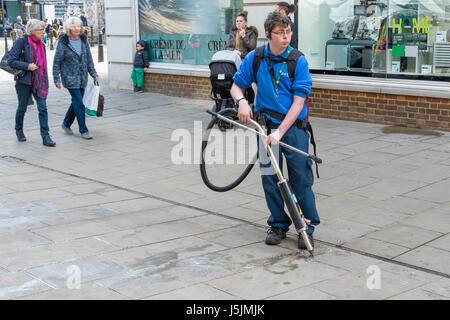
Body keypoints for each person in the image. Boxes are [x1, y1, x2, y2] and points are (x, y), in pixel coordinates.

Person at [230, 11, 320, 249]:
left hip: (293, 129)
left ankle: (306, 227)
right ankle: (278, 223)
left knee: (300, 178)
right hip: (265, 126)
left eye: (288, 31)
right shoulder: (256, 57)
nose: (285, 36)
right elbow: (236, 86)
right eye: (280, 33)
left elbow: (299, 102)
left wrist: (280, 132)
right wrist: (241, 101)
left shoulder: (298, 61)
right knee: (270, 178)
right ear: (269, 34)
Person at [7, 19, 55, 147]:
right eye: (40, 29)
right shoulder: (21, 42)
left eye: (43, 29)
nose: (43, 32)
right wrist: (27, 66)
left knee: (43, 108)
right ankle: (19, 130)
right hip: (25, 81)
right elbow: (11, 60)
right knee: (22, 107)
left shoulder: (42, 44)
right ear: (32, 31)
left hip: (39, 81)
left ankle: (46, 136)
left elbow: (43, 65)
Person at [53, 17, 99, 140]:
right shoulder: (63, 42)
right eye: (74, 26)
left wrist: (93, 73)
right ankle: (83, 130)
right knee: (79, 103)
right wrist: (56, 78)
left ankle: (66, 124)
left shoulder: (84, 40)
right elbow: (57, 61)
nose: (77, 29)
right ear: (69, 28)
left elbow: (89, 59)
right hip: (69, 77)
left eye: (78, 26)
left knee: (76, 102)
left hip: (82, 77)